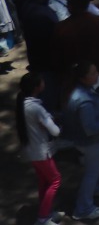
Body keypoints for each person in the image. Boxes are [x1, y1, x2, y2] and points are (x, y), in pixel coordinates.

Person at [63, 60, 99, 221]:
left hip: (90, 140)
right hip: (90, 142)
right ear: (83, 78)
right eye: (93, 73)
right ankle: (83, 208)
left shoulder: (84, 91)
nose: (97, 74)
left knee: (96, 169)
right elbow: (90, 127)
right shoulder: (84, 100)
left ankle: (96, 188)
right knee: (91, 174)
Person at [20, 72, 61, 225]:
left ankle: (46, 211)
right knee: (55, 180)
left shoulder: (23, 105)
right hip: (41, 152)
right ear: (37, 87)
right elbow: (55, 131)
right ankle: (43, 217)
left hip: (31, 151)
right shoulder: (37, 109)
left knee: (44, 181)